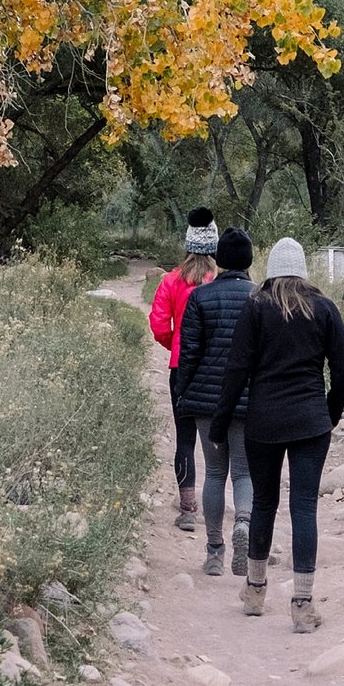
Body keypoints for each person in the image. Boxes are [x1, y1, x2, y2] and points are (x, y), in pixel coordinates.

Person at [210, 236, 344, 632]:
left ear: (270, 271)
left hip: (264, 421)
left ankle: (255, 592)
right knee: (304, 508)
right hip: (311, 422)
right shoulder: (324, 308)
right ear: (304, 270)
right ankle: (303, 605)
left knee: (264, 504)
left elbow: (236, 370)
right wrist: (330, 412)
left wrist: (221, 424)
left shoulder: (255, 308)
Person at [171, 227, 258, 578]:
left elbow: (188, 353)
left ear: (219, 260)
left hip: (207, 401)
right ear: (250, 261)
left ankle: (214, 551)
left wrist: (184, 393)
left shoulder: (200, 298)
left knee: (215, 472)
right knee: (243, 471)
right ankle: (244, 523)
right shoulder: (259, 297)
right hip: (248, 400)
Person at [147, 207, 218, 531]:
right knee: (220, 439)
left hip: (182, 369)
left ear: (188, 244)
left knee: (185, 439)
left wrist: (175, 346)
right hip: (217, 371)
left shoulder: (172, 280)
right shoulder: (219, 280)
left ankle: (188, 507)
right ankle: (219, 503)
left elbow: (159, 324)